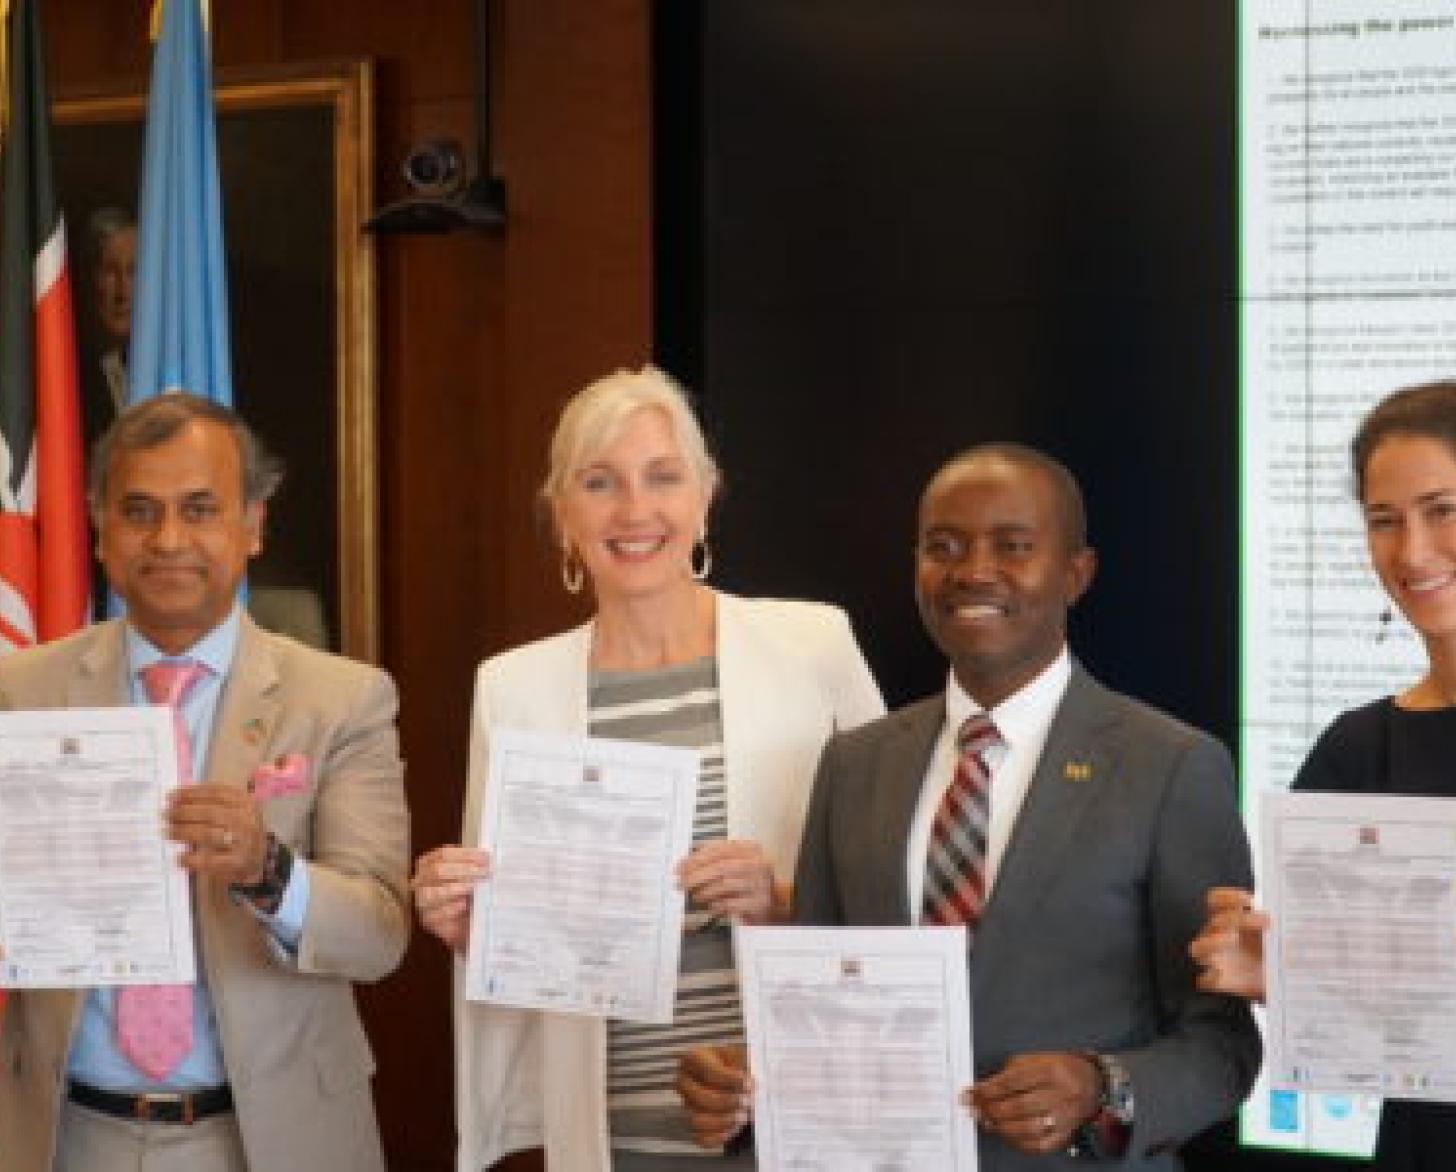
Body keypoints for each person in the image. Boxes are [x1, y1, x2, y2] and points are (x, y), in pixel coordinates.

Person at [679, 443, 1261, 1171]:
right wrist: (741, 1090)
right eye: (943, 547)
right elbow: (816, 1007)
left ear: (1076, 574)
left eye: (1012, 546)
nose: (973, 570)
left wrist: (1101, 1088)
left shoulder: (1170, 766)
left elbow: (1222, 1042)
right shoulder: (855, 765)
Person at [411, 365, 884, 1171]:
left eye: (662, 477)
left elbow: (897, 885)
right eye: (599, 483)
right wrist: (472, 931)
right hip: (613, 1135)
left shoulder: (814, 644)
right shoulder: (512, 688)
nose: (634, 511)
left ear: (705, 494)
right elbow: (523, 949)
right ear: (561, 514)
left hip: (799, 1116)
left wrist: (780, 901)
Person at [0, 393, 410, 1171]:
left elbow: (381, 935)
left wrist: (269, 871)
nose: (168, 539)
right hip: (66, 1133)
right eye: (139, 511)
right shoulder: (20, 693)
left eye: (199, 509)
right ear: (100, 529)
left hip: (271, 1139)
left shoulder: (343, 700)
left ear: (252, 523)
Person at [1191, 379, 1456, 1171]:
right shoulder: (1357, 752)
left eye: (1442, 510)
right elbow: (1359, 1005)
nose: (1412, 552)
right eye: (1384, 520)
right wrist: (1272, 966)